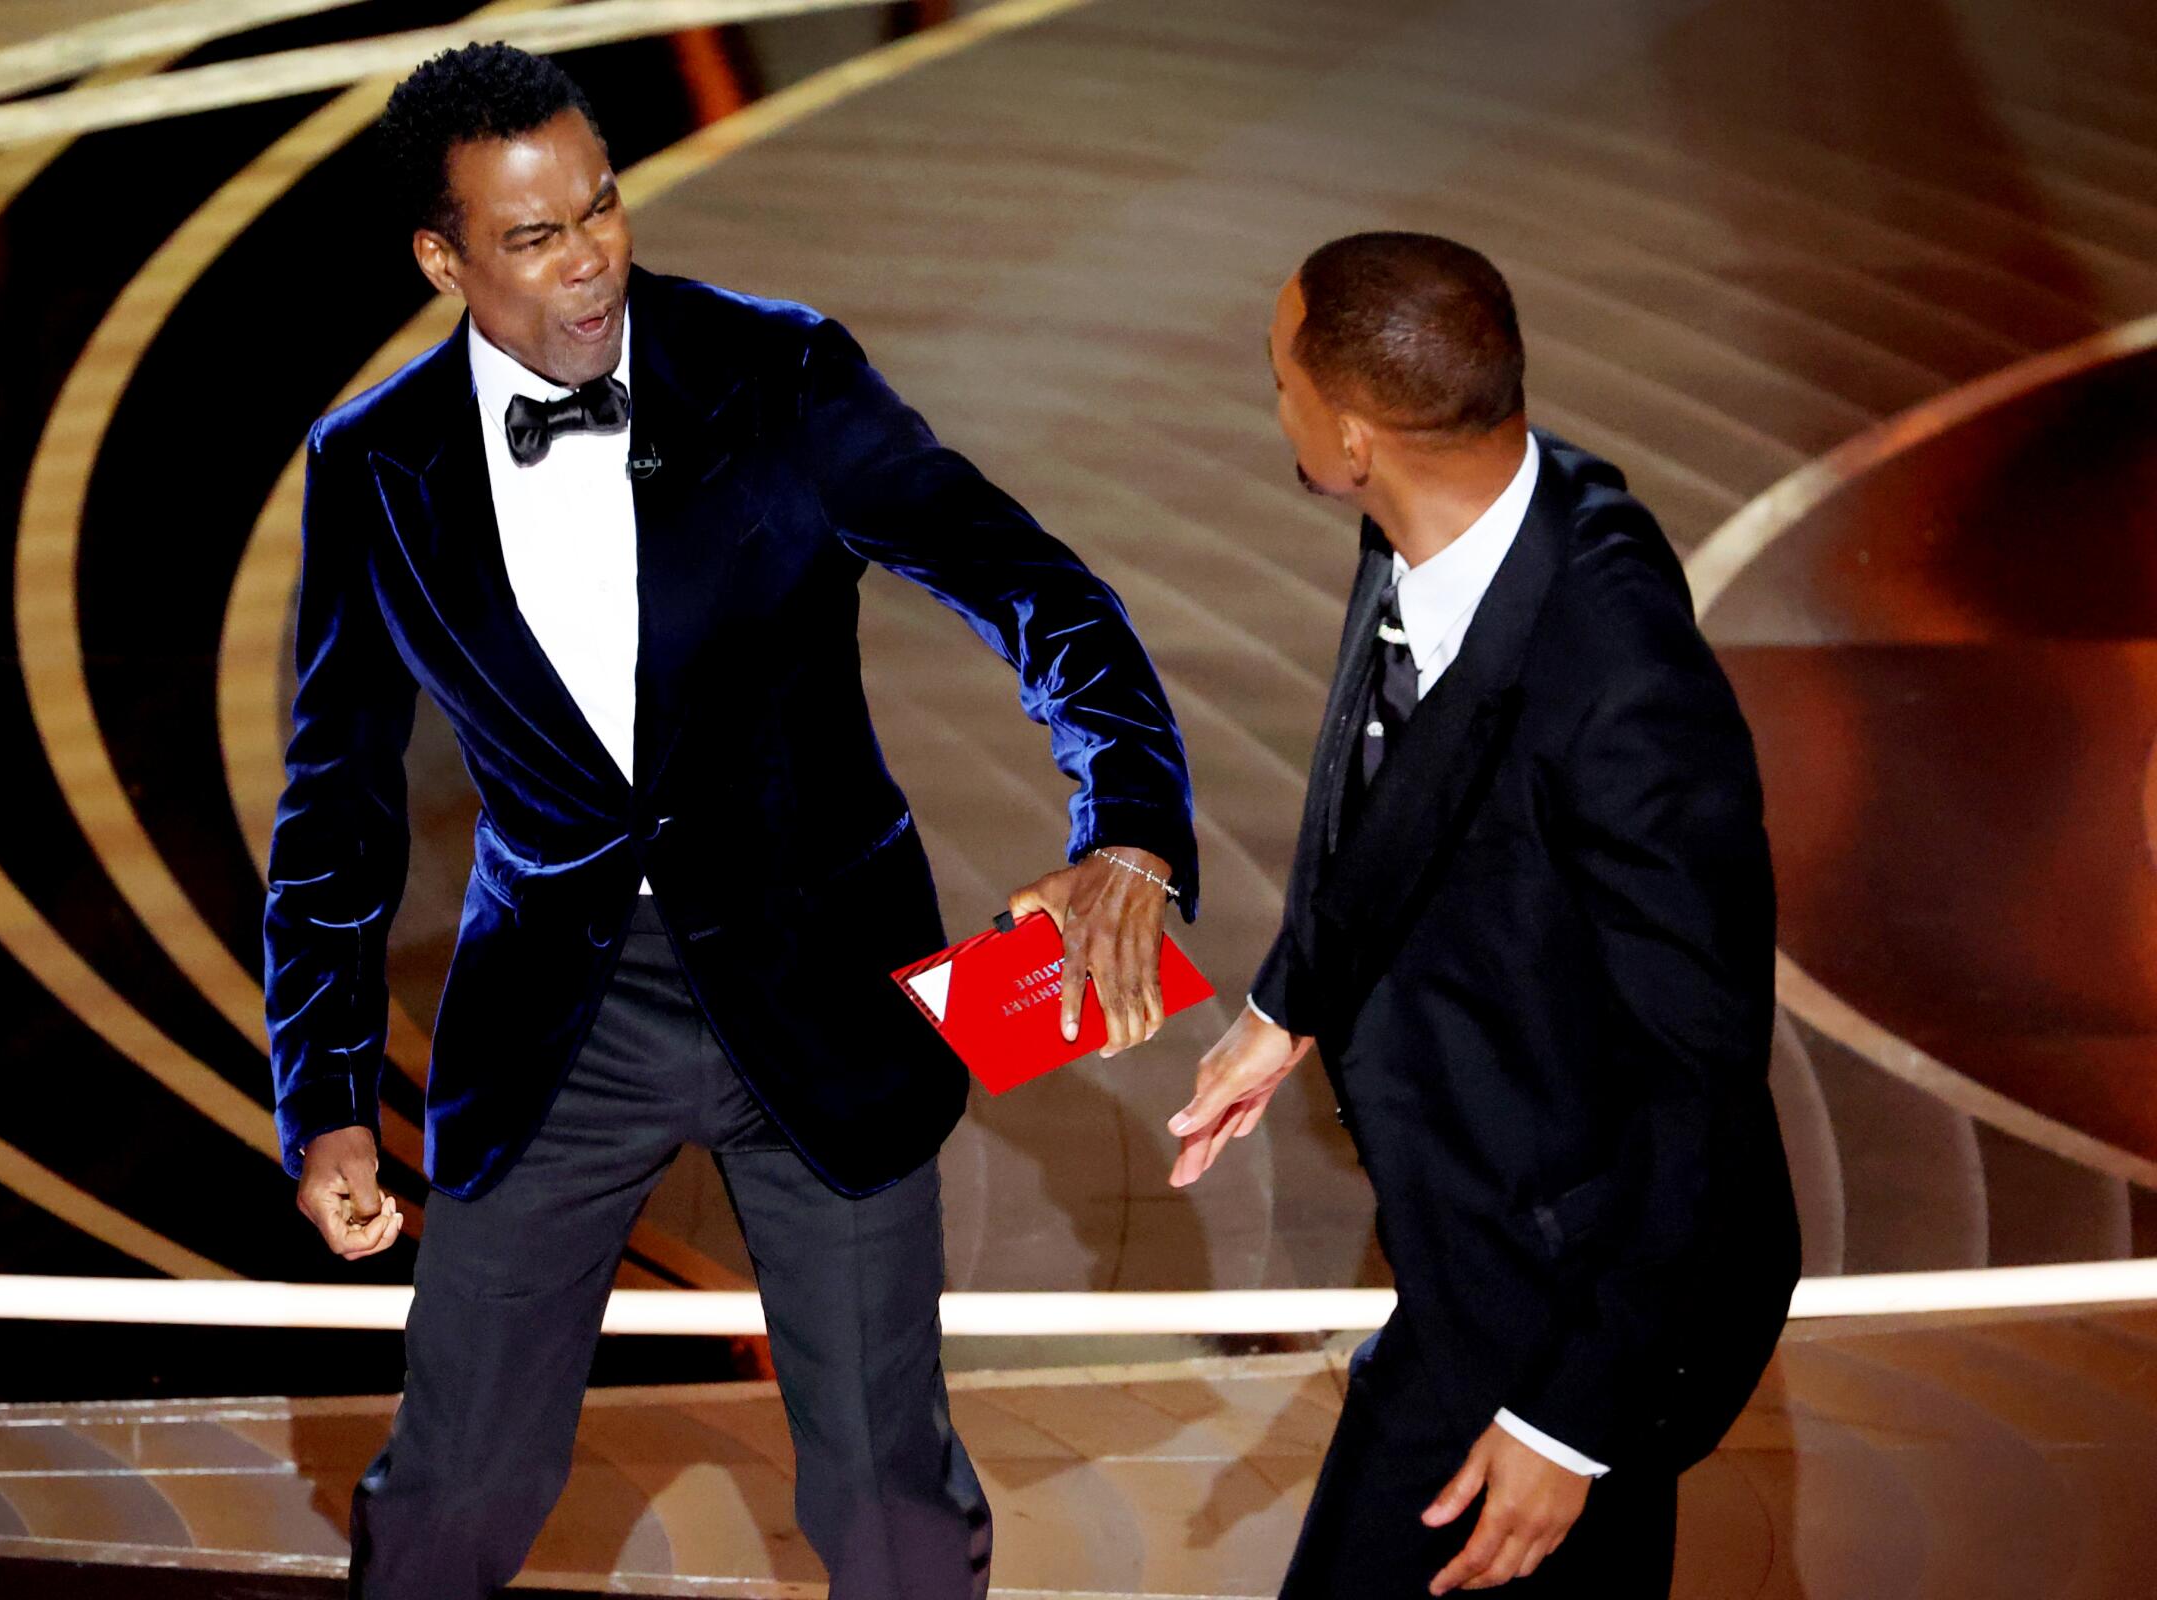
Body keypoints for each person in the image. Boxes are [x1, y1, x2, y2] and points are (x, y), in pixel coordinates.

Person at [263, 44, 1198, 1600]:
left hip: (826, 1001)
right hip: (559, 1029)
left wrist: (1133, 828)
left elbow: (1038, 591)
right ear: (442, 259)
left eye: (604, 207)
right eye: (535, 237)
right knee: (449, 1502)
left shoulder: (783, 373)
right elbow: (336, 807)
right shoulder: (372, 469)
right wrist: (329, 1093)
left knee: (889, 1504)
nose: (593, 261)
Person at [1169, 233, 1798, 1597]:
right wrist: (1293, 1001)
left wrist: (1571, 1420)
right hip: (1477, 1230)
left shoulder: (1624, 686)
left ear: (1348, 436)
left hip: (1582, 1290)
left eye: (1278, 380)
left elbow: (1700, 1077)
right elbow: (1407, 796)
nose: (1269, 402)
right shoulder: (1460, 515)